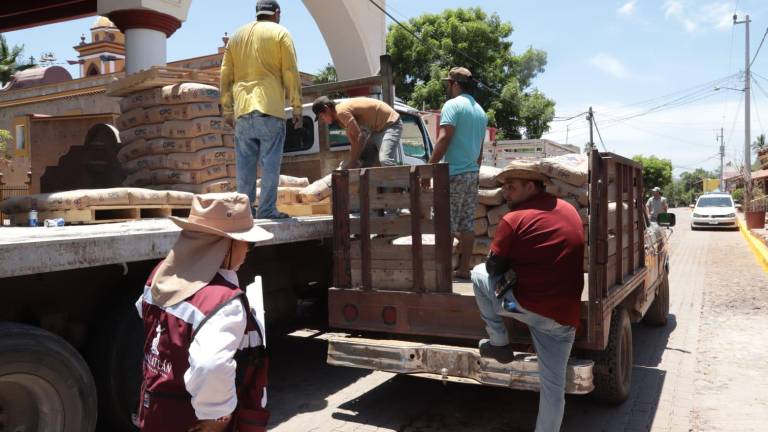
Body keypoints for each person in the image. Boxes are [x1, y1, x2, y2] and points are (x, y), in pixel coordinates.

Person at [135, 193, 273, 432]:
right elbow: (210, 365)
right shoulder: (223, 301)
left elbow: (143, 313)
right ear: (225, 244)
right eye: (247, 244)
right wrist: (216, 418)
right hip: (189, 421)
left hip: (155, 411)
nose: (248, 252)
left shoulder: (160, 275)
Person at [470, 164, 585, 432]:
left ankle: (499, 342)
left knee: (476, 275)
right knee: (553, 391)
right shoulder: (569, 209)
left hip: (525, 307)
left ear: (531, 187)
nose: (505, 194)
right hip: (565, 317)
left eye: (511, 187)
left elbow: (493, 268)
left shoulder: (514, 219)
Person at [220, 0, 302, 219]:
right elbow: (290, 72)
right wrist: (296, 107)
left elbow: (225, 76)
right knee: (270, 165)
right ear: (277, 13)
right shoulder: (281, 34)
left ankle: (244, 212)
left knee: (245, 169)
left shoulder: (236, 38)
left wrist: (228, 110)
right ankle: (266, 211)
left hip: (243, 112)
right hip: (269, 109)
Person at [426, 67, 487, 279]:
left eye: (448, 84)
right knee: (467, 224)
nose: (448, 88)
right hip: (472, 173)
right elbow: (480, 149)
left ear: (455, 84)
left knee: (446, 224)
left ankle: (442, 272)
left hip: (452, 174)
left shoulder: (452, 106)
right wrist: (475, 172)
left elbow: (444, 139)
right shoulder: (480, 111)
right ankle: (462, 269)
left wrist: (429, 169)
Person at [312, 96, 403, 169]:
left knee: (385, 160)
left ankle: (404, 188)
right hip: (376, 131)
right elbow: (355, 141)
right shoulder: (341, 120)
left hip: (391, 123)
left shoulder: (341, 112)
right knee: (362, 161)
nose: (323, 120)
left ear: (327, 109)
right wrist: (351, 161)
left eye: (321, 116)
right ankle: (363, 190)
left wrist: (352, 162)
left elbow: (360, 137)